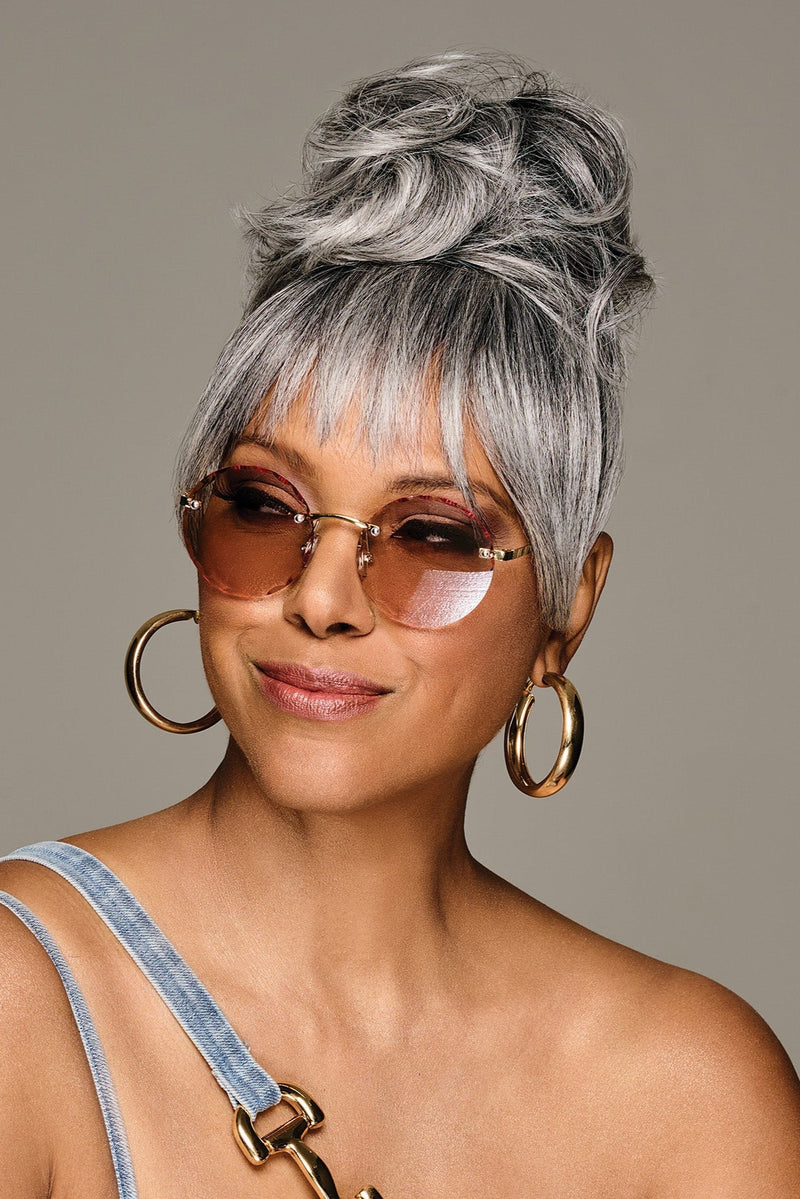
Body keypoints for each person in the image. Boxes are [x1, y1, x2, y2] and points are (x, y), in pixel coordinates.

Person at [0, 51, 798, 1199]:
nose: (321, 598)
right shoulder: (24, 1005)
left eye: (430, 536)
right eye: (263, 507)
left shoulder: (688, 1096)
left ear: (566, 607)